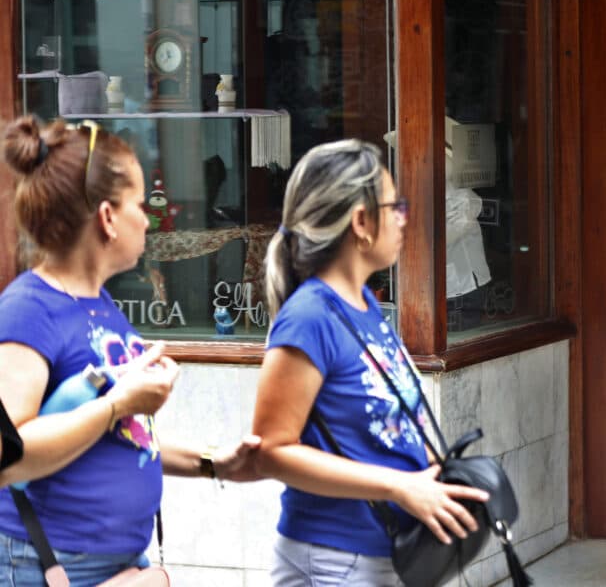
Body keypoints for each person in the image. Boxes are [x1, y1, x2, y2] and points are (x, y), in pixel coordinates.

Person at [0, 115, 261, 585]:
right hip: (51, 567)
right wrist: (120, 401)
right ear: (106, 217)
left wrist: (211, 464)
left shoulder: (98, 302)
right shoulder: (27, 310)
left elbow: (117, 435)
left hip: (107, 564)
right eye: (139, 204)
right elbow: (9, 455)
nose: (149, 217)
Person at [252, 139, 489, 586]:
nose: (404, 216)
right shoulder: (309, 318)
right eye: (393, 204)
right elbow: (271, 452)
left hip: (386, 554)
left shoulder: (360, 302)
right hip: (335, 561)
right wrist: (397, 486)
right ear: (361, 222)